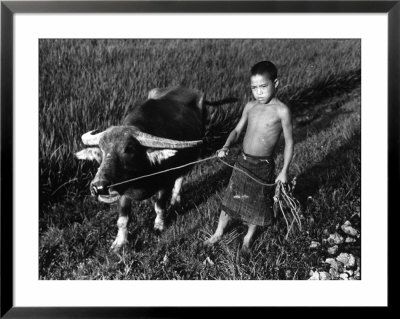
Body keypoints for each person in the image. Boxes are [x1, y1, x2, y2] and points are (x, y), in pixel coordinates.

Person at [204, 61, 294, 254]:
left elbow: (289, 142)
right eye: (254, 88)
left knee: (257, 203)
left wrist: (284, 171)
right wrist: (226, 146)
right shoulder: (250, 106)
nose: (258, 92)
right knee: (231, 198)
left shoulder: (282, 111)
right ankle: (218, 232)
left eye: (263, 87)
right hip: (242, 162)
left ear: (275, 83)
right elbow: (237, 130)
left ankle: (248, 237)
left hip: (263, 166)